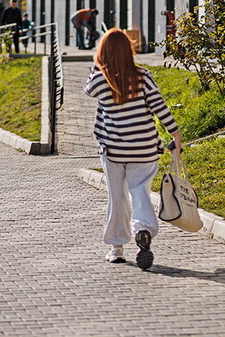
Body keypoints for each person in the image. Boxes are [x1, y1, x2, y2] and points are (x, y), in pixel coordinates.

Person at [84, 28, 182, 269]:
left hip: (114, 150)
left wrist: (99, 65)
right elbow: (160, 107)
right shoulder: (143, 76)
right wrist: (175, 135)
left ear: (102, 52)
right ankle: (143, 229)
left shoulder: (99, 79)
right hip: (145, 148)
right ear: (129, 51)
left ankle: (116, 248)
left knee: (117, 197)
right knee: (140, 192)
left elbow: (88, 89)